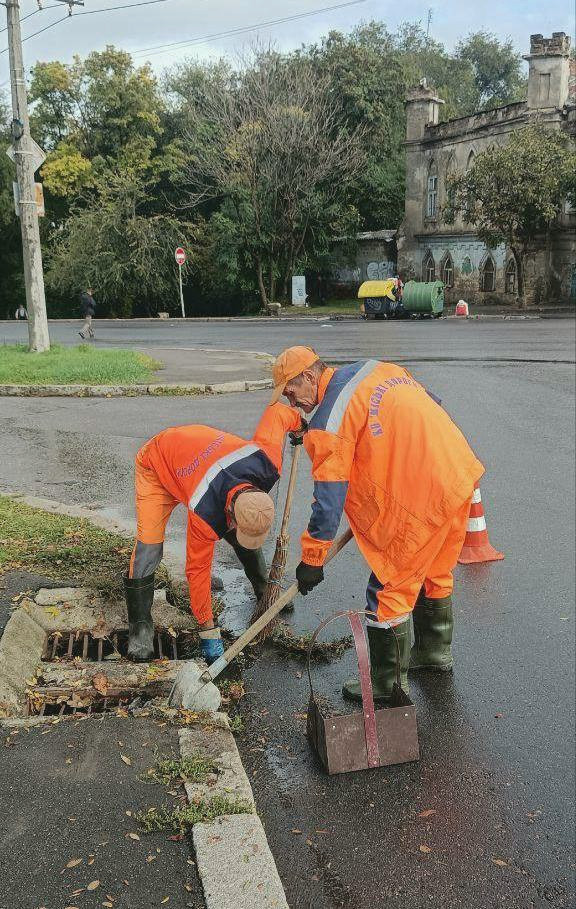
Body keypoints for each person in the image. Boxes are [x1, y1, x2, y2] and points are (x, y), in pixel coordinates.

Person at [269, 346, 484, 700]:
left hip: (418, 500)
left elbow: (328, 501)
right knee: (434, 572)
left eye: (291, 393)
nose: (293, 403)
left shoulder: (329, 426)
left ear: (308, 375)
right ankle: (434, 652)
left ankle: (387, 684)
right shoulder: (375, 369)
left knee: (388, 589)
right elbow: (430, 403)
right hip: (457, 473)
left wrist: (312, 559)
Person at [125, 402, 303, 664]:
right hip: (157, 466)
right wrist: (207, 628)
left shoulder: (267, 462)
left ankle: (264, 588)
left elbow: (278, 413)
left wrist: (299, 424)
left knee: (243, 528)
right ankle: (140, 629)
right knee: (149, 549)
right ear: (229, 512)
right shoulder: (205, 512)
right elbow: (197, 571)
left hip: (196, 455)